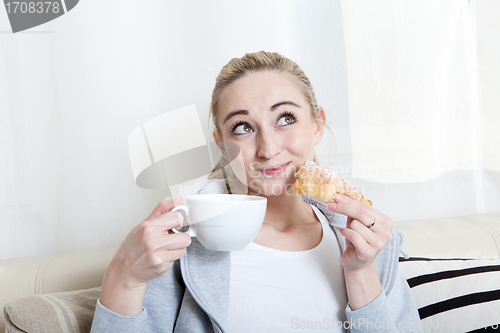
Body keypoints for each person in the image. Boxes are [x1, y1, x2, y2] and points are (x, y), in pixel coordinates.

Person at [91, 51, 423, 332]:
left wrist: (361, 273)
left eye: (286, 118)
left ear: (317, 125)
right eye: (243, 127)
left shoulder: (368, 239)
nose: (268, 148)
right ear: (222, 144)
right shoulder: (180, 240)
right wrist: (123, 276)